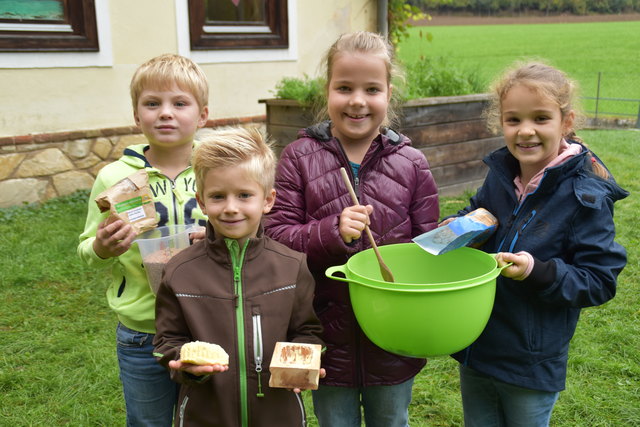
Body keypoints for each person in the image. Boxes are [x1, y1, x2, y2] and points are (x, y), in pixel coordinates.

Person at [264, 31, 440, 427]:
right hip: (325, 333)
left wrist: (449, 236)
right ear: (327, 90)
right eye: (344, 87)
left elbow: (426, 249)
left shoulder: (412, 163)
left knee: (392, 420)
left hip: (392, 339)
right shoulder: (298, 158)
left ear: (388, 93)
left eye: (371, 88)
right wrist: (331, 232)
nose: (357, 100)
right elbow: (275, 236)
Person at [445, 61, 628, 426]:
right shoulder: (502, 173)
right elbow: (485, 211)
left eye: (541, 118)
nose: (525, 131)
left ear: (567, 122)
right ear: (501, 123)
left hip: (531, 361)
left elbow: (599, 279)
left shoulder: (584, 195)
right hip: (478, 345)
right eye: (513, 120)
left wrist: (536, 271)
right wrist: (463, 224)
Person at [152, 126, 324, 426]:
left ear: (268, 200)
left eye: (245, 195)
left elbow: (307, 331)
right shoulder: (180, 271)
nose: (231, 208)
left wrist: (305, 361)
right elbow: (168, 340)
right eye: (218, 196)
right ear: (202, 202)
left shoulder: (292, 266)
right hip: (205, 413)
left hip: (278, 414)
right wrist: (184, 365)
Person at [78, 53, 210, 426]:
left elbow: (248, 228)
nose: (165, 113)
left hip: (207, 319)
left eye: (179, 103)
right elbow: (87, 250)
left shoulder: (215, 167)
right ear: (137, 115)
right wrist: (103, 246)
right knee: (148, 421)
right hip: (142, 330)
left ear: (202, 115)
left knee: (207, 417)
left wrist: (217, 235)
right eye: (153, 103)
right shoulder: (114, 178)